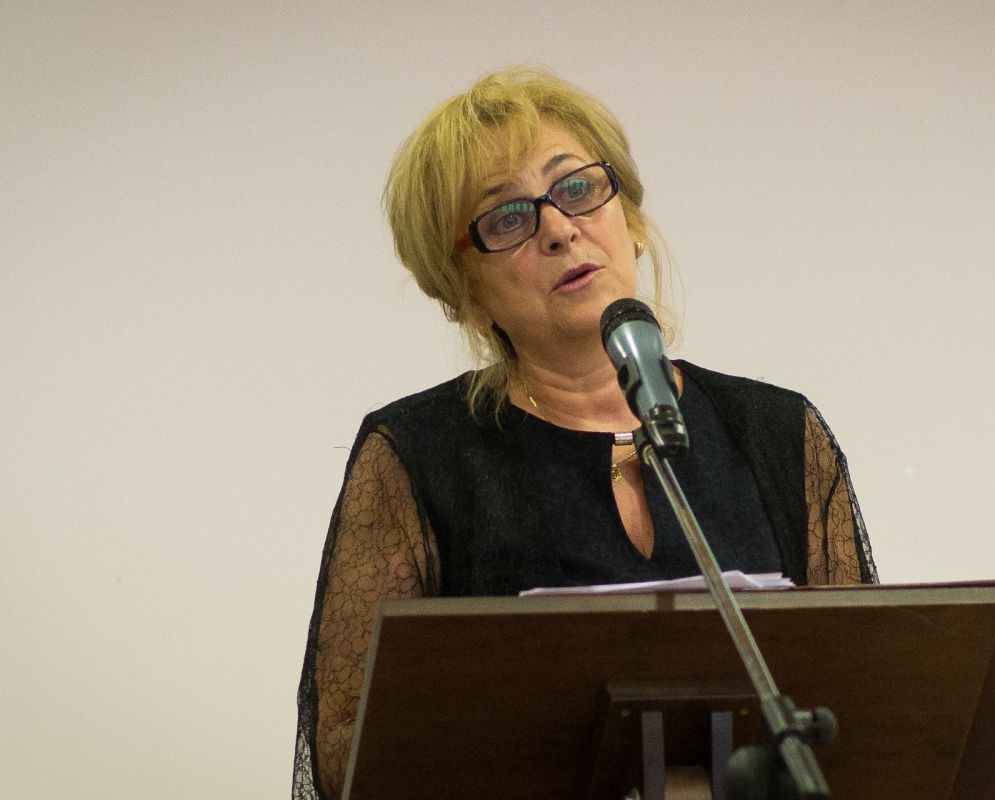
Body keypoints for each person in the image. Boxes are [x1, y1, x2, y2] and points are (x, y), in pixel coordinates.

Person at [291, 66, 877, 800]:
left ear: (630, 220)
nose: (559, 229)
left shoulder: (778, 433)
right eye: (507, 218)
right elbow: (351, 752)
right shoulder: (417, 457)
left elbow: (861, 699)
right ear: (462, 289)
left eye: (576, 188)